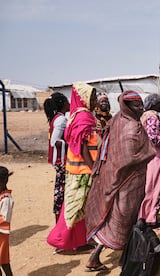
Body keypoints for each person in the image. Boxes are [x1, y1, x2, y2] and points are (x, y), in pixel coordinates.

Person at [84, 90, 155, 271]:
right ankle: (122, 258)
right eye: (136, 105)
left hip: (114, 177)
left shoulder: (117, 119)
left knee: (114, 216)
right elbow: (131, 155)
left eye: (141, 104)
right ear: (127, 106)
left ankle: (114, 256)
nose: (140, 108)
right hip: (128, 180)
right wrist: (150, 151)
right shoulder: (133, 127)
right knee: (124, 218)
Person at [46, 82, 98, 253]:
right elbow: (83, 146)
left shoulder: (76, 115)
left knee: (78, 206)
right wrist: (93, 168)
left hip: (76, 169)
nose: (96, 100)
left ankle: (79, 241)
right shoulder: (84, 117)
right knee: (75, 207)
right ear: (84, 98)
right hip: (82, 170)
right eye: (92, 97)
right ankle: (61, 240)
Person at [138, 93, 160, 232]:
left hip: (150, 157)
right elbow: (152, 138)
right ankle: (151, 220)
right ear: (154, 104)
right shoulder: (152, 117)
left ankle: (143, 217)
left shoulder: (145, 116)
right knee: (155, 187)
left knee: (149, 187)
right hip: (156, 157)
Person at [43, 92, 70, 223]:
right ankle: (59, 223)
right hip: (62, 162)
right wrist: (71, 144)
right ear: (63, 104)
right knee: (62, 193)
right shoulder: (61, 120)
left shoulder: (57, 118)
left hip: (59, 162)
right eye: (67, 101)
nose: (69, 104)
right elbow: (55, 141)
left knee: (61, 192)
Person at [0, 166, 14, 276]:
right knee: (3, 260)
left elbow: (4, 219)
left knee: (3, 259)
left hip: (1, 235)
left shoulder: (6, 199)